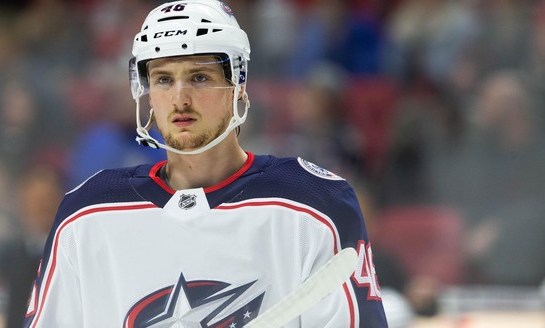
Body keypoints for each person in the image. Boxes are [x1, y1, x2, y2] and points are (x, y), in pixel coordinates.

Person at [23, 1, 388, 327]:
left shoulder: (313, 203)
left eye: (200, 77)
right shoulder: (87, 212)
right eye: (164, 79)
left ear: (239, 86)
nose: (180, 98)